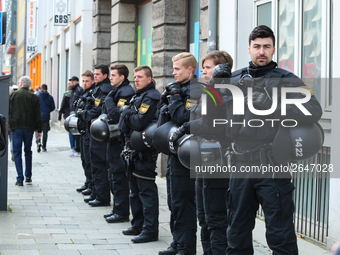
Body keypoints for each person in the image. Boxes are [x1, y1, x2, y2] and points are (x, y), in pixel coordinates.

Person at [226, 25, 322, 254]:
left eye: (266, 47)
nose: (262, 51)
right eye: (257, 46)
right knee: (236, 233)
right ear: (249, 48)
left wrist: (272, 106)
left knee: (280, 235)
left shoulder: (287, 80)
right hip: (239, 165)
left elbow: (314, 110)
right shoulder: (235, 78)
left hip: (272, 165)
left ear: (273, 49)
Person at [170, 50, 233, 255]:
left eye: (208, 68)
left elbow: (212, 124)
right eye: (204, 67)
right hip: (202, 162)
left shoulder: (225, 91)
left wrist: (186, 127)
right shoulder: (208, 90)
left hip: (218, 162)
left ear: (220, 69)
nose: (204, 72)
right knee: (204, 218)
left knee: (216, 219)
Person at [158, 52, 200, 255]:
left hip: (187, 155)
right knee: (173, 201)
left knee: (184, 202)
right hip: (174, 153)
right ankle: (177, 241)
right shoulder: (178, 89)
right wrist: (168, 98)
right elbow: (164, 119)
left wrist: (174, 97)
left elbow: (184, 117)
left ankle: (186, 247)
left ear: (189, 70)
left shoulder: (195, 89)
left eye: (177, 69)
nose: (173, 73)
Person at [119, 65, 160, 243]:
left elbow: (138, 122)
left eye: (140, 77)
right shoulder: (138, 96)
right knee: (134, 191)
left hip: (144, 151)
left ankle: (150, 230)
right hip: (132, 148)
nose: (136, 80)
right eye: (135, 77)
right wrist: (129, 116)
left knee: (146, 191)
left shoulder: (151, 97)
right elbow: (123, 126)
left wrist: (127, 113)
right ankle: (138, 224)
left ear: (149, 79)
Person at [102, 64, 134, 223]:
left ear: (122, 77)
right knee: (113, 175)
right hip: (112, 139)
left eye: (113, 75)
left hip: (120, 140)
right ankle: (117, 209)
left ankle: (121, 212)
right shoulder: (116, 91)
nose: (110, 78)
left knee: (119, 176)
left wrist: (108, 101)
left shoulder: (126, 93)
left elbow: (115, 115)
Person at [77, 64, 113, 206]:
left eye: (98, 74)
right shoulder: (98, 89)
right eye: (95, 74)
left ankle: (101, 196)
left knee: (99, 165)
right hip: (89, 130)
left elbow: (97, 111)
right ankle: (96, 192)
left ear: (105, 75)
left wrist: (83, 113)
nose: (95, 76)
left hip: (98, 132)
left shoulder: (104, 90)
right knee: (91, 162)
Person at [9, 76, 42, 186]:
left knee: (17, 153)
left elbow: (8, 111)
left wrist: (8, 126)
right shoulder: (34, 97)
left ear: (20, 84)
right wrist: (39, 130)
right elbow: (38, 115)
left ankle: (20, 178)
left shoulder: (12, 95)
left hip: (16, 128)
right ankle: (28, 176)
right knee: (28, 151)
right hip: (29, 128)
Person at [76, 70, 95, 196]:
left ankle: (91, 185)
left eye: (87, 81)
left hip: (90, 131)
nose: (84, 83)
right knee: (84, 159)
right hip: (83, 130)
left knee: (89, 160)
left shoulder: (94, 93)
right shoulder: (83, 92)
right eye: (83, 81)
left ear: (92, 81)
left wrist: (84, 114)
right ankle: (88, 182)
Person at [36, 84, 55, 152]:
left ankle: (38, 142)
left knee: (38, 130)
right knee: (45, 132)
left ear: (41, 88)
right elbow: (53, 107)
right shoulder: (50, 97)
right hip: (46, 117)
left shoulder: (37, 96)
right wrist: (47, 111)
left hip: (38, 116)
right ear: (47, 89)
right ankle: (44, 146)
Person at [69, 76, 84, 158]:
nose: (71, 83)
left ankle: (78, 150)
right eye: (71, 81)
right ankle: (76, 148)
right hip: (73, 114)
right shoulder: (73, 91)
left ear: (77, 82)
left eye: (73, 81)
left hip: (77, 115)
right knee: (74, 133)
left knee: (77, 133)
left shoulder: (79, 90)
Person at [58, 82, 74, 150]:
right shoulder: (75, 94)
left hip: (67, 114)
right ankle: (76, 145)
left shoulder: (66, 94)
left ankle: (72, 146)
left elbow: (63, 105)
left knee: (70, 131)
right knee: (75, 130)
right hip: (73, 114)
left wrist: (60, 115)